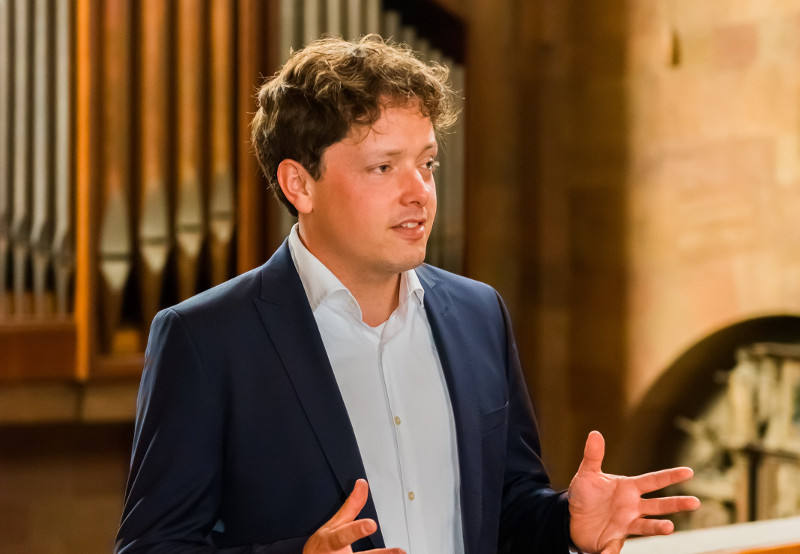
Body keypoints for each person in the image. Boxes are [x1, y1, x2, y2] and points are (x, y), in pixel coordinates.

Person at [115, 35, 699, 554]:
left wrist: (564, 524)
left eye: (427, 164)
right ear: (300, 184)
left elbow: (507, 511)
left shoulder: (478, 315)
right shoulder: (206, 339)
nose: (419, 192)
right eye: (383, 167)